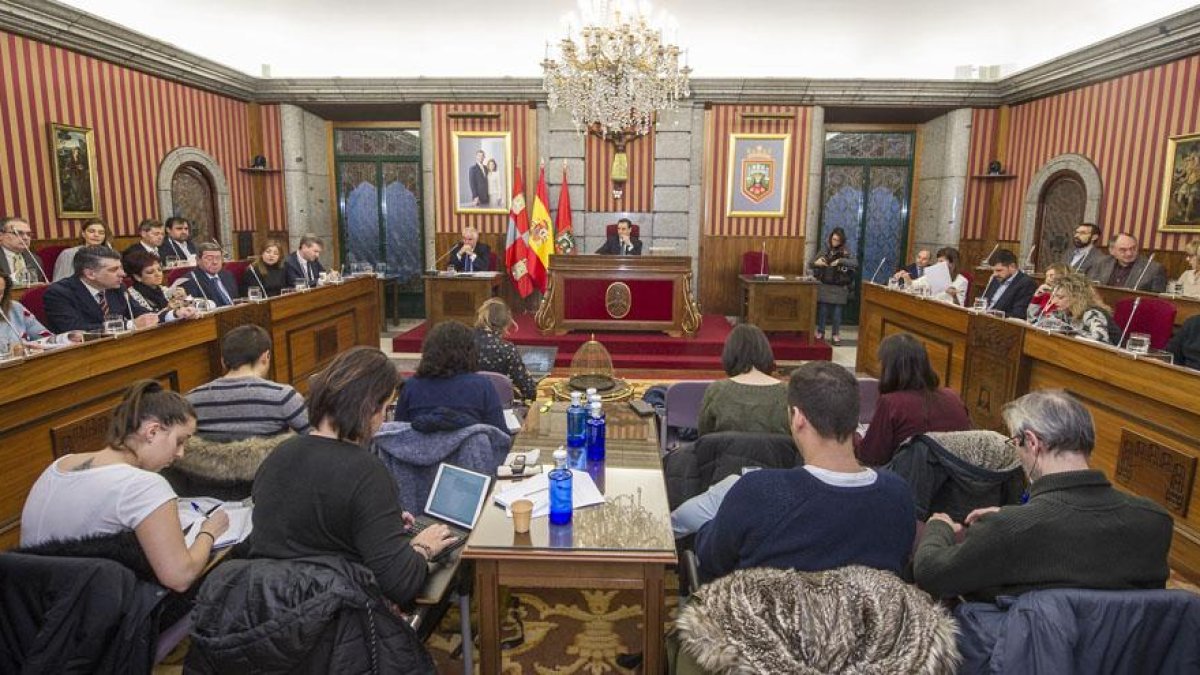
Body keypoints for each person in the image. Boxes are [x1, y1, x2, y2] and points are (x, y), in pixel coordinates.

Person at [249, 347, 459, 608]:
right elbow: (401, 585)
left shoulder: (278, 455)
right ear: (370, 408)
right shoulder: (367, 472)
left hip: (266, 608)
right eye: (386, 408)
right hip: (337, 616)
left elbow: (309, 533)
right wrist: (423, 548)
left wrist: (381, 524)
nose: (383, 420)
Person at [912, 390, 1172, 601]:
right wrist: (1012, 517)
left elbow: (930, 573)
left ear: (1032, 442)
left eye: (1015, 443)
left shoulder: (1009, 528)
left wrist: (939, 527)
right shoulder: (1154, 521)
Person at [691, 362, 915, 582]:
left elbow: (710, 560)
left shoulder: (757, 492)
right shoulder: (898, 495)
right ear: (855, 419)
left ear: (798, 417)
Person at [19, 380, 231, 593]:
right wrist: (209, 532)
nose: (180, 453)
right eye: (180, 441)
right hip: (94, 604)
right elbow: (180, 577)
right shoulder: (144, 485)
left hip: (31, 601)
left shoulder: (58, 466)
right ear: (152, 432)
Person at [857, 333, 972, 466]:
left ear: (888, 368)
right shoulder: (953, 397)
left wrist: (853, 437)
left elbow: (870, 457)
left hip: (910, 476)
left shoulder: (891, 403)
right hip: (957, 476)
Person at [186, 325, 311, 440]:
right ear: (266, 357)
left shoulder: (191, 400)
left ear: (223, 361)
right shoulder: (283, 397)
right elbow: (316, 439)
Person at [43, 245, 194, 333]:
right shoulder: (59, 293)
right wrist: (130, 325)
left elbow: (140, 313)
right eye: (114, 270)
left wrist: (174, 314)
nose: (123, 274)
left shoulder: (116, 287)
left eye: (120, 267)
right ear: (90, 274)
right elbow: (74, 329)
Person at [394, 321, 507, 431]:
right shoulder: (483, 387)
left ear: (428, 351)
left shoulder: (411, 387)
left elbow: (398, 434)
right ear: (470, 351)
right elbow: (499, 436)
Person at [697, 323, 789, 436]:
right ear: (766, 352)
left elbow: (704, 438)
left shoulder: (716, 391)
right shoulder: (787, 393)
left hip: (726, 448)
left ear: (730, 354)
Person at [473, 298, 537, 402]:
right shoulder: (507, 349)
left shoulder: (463, 342)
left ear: (480, 318)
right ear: (506, 323)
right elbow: (529, 390)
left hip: (466, 403)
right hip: (499, 405)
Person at [0, 272, 80, 353]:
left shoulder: (15, 308)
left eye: (0, 293)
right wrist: (11, 349)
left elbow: (42, 335)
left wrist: (65, 338)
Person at [1041, 272, 1119, 344]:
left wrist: (1071, 333)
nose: (1054, 301)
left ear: (1076, 297)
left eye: (1060, 297)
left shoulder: (1093, 314)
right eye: (1053, 296)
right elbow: (1041, 323)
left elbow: (1101, 341)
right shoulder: (1065, 311)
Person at [811, 227, 858, 345]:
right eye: (833, 239)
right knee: (823, 311)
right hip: (825, 284)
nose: (834, 242)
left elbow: (855, 263)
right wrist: (817, 263)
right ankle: (820, 332)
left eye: (837, 240)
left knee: (837, 313)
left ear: (841, 241)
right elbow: (811, 263)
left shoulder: (846, 250)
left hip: (839, 287)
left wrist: (840, 261)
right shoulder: (825, 249)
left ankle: (835, 335)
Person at [1087, 233, 1167, 292]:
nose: (1129, 253)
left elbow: (1156, 300)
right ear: (1112, 251)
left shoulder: (1154, 269)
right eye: (1123, 250)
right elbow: (1089, 287)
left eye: (1133, 248)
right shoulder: (1101, 263)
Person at [123, 250, 189, 313]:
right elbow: (145, 318)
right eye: (150, 272)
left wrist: (184, 299)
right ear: (137, 277)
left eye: (159, 269)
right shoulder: (131, 296)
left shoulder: (165, 290)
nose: (158, 274)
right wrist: (167, 310)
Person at [901, 247, 970, 306]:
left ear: (952, 263)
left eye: (941, 261)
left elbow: (960, 306)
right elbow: (913, 285)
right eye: (937, 261)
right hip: (929, 308)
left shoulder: (962, 281)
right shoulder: (934, 273)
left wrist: (954, 296)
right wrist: (906, 277)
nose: (937, 264)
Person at [981, 248, 1037, 318]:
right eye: (993, 271)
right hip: (984, 318)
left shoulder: (1026, 284)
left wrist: (993, 314)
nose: (995, 274)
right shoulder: (996, 278)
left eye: (999, 270)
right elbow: (985, 301)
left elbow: (1018, 314)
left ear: (1012, 267)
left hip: (1002, 322)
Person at [180, 242, 239, 307]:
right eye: (209, 258)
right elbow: (193, 307)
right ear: (198, 260)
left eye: (218, 258)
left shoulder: (227, 275)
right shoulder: (190, 280)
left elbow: (236, 299)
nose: (215, 262)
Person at [0, 216, 46, 283]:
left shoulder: (35, 260)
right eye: (18, 233)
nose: (25, 238)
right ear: (1, 236)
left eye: (28, 234)